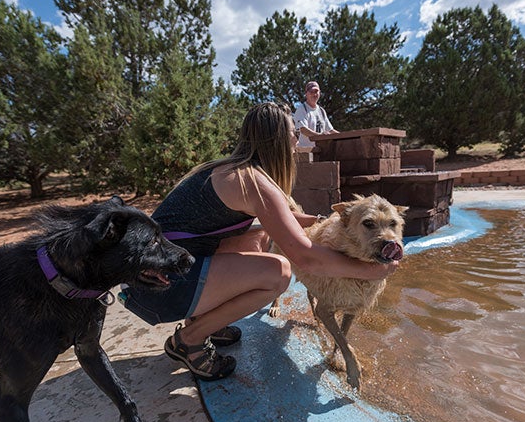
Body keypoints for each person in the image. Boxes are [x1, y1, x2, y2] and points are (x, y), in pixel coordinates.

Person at [121, 102, 398, 381]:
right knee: (279, 273)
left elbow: (285, 216)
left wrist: (317, 218)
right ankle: (189, 340)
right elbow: (307, 258)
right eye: (292, 132)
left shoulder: (235, 171)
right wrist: (374, 270)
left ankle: (203, 320)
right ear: (276, 140)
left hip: (147, 279)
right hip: (157, 288)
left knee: (258, 237)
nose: (296, 138)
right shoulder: (254, 183)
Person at [293, 81, 339, 147]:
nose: (314, 94)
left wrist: (345, 137)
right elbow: (303, 130)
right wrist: (320, 136)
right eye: (311, 92)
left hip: (321, 151)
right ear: (306, 94)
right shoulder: (302, 109)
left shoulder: (321, 111)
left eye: (316, 92)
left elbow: (330, 130)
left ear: (319, 93)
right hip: (306, 152)